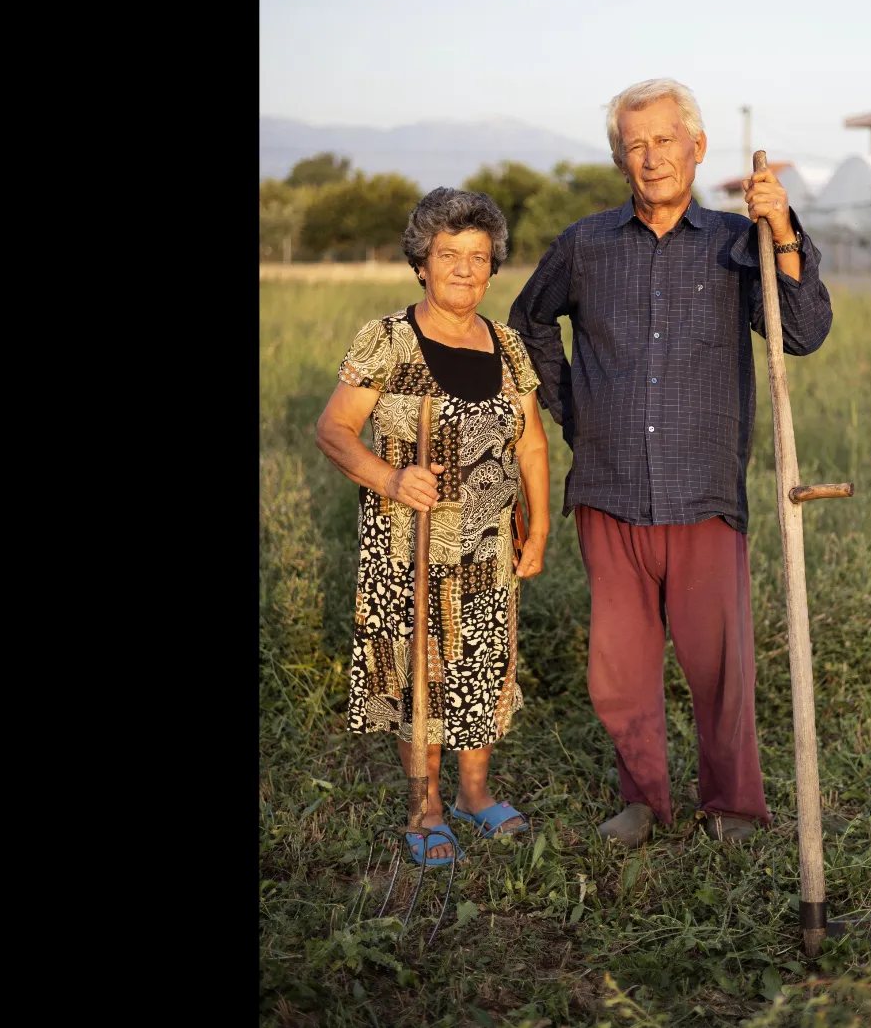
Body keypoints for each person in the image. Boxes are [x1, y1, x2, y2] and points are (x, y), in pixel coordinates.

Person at [507, 78, 833, 846]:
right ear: (620, 159)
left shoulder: (738, 241)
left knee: (721, 666)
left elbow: (803, 332)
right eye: (636, 145)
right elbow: (528, 321)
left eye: (664, 140)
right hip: (610, 486)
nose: (651, 157)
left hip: (703, 489)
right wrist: (574, 408)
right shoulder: (586, 244)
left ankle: (733, 805)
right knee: (619, 669)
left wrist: (784, 231)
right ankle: (643, 800)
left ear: (698, 147)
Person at [316, 187, 550, 866]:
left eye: (478, 256)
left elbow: (532, 444)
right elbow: (334, 429)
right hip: (408, 550)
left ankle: (475, 795)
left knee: (482, 669)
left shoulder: (507, 346)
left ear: (492, 267)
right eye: (449, 255)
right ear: (422, 263)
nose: (464, 269)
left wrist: (537, 530)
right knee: (419, 674)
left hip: (487, 549)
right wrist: (390, 479)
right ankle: (426, 807)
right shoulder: (387, 340)